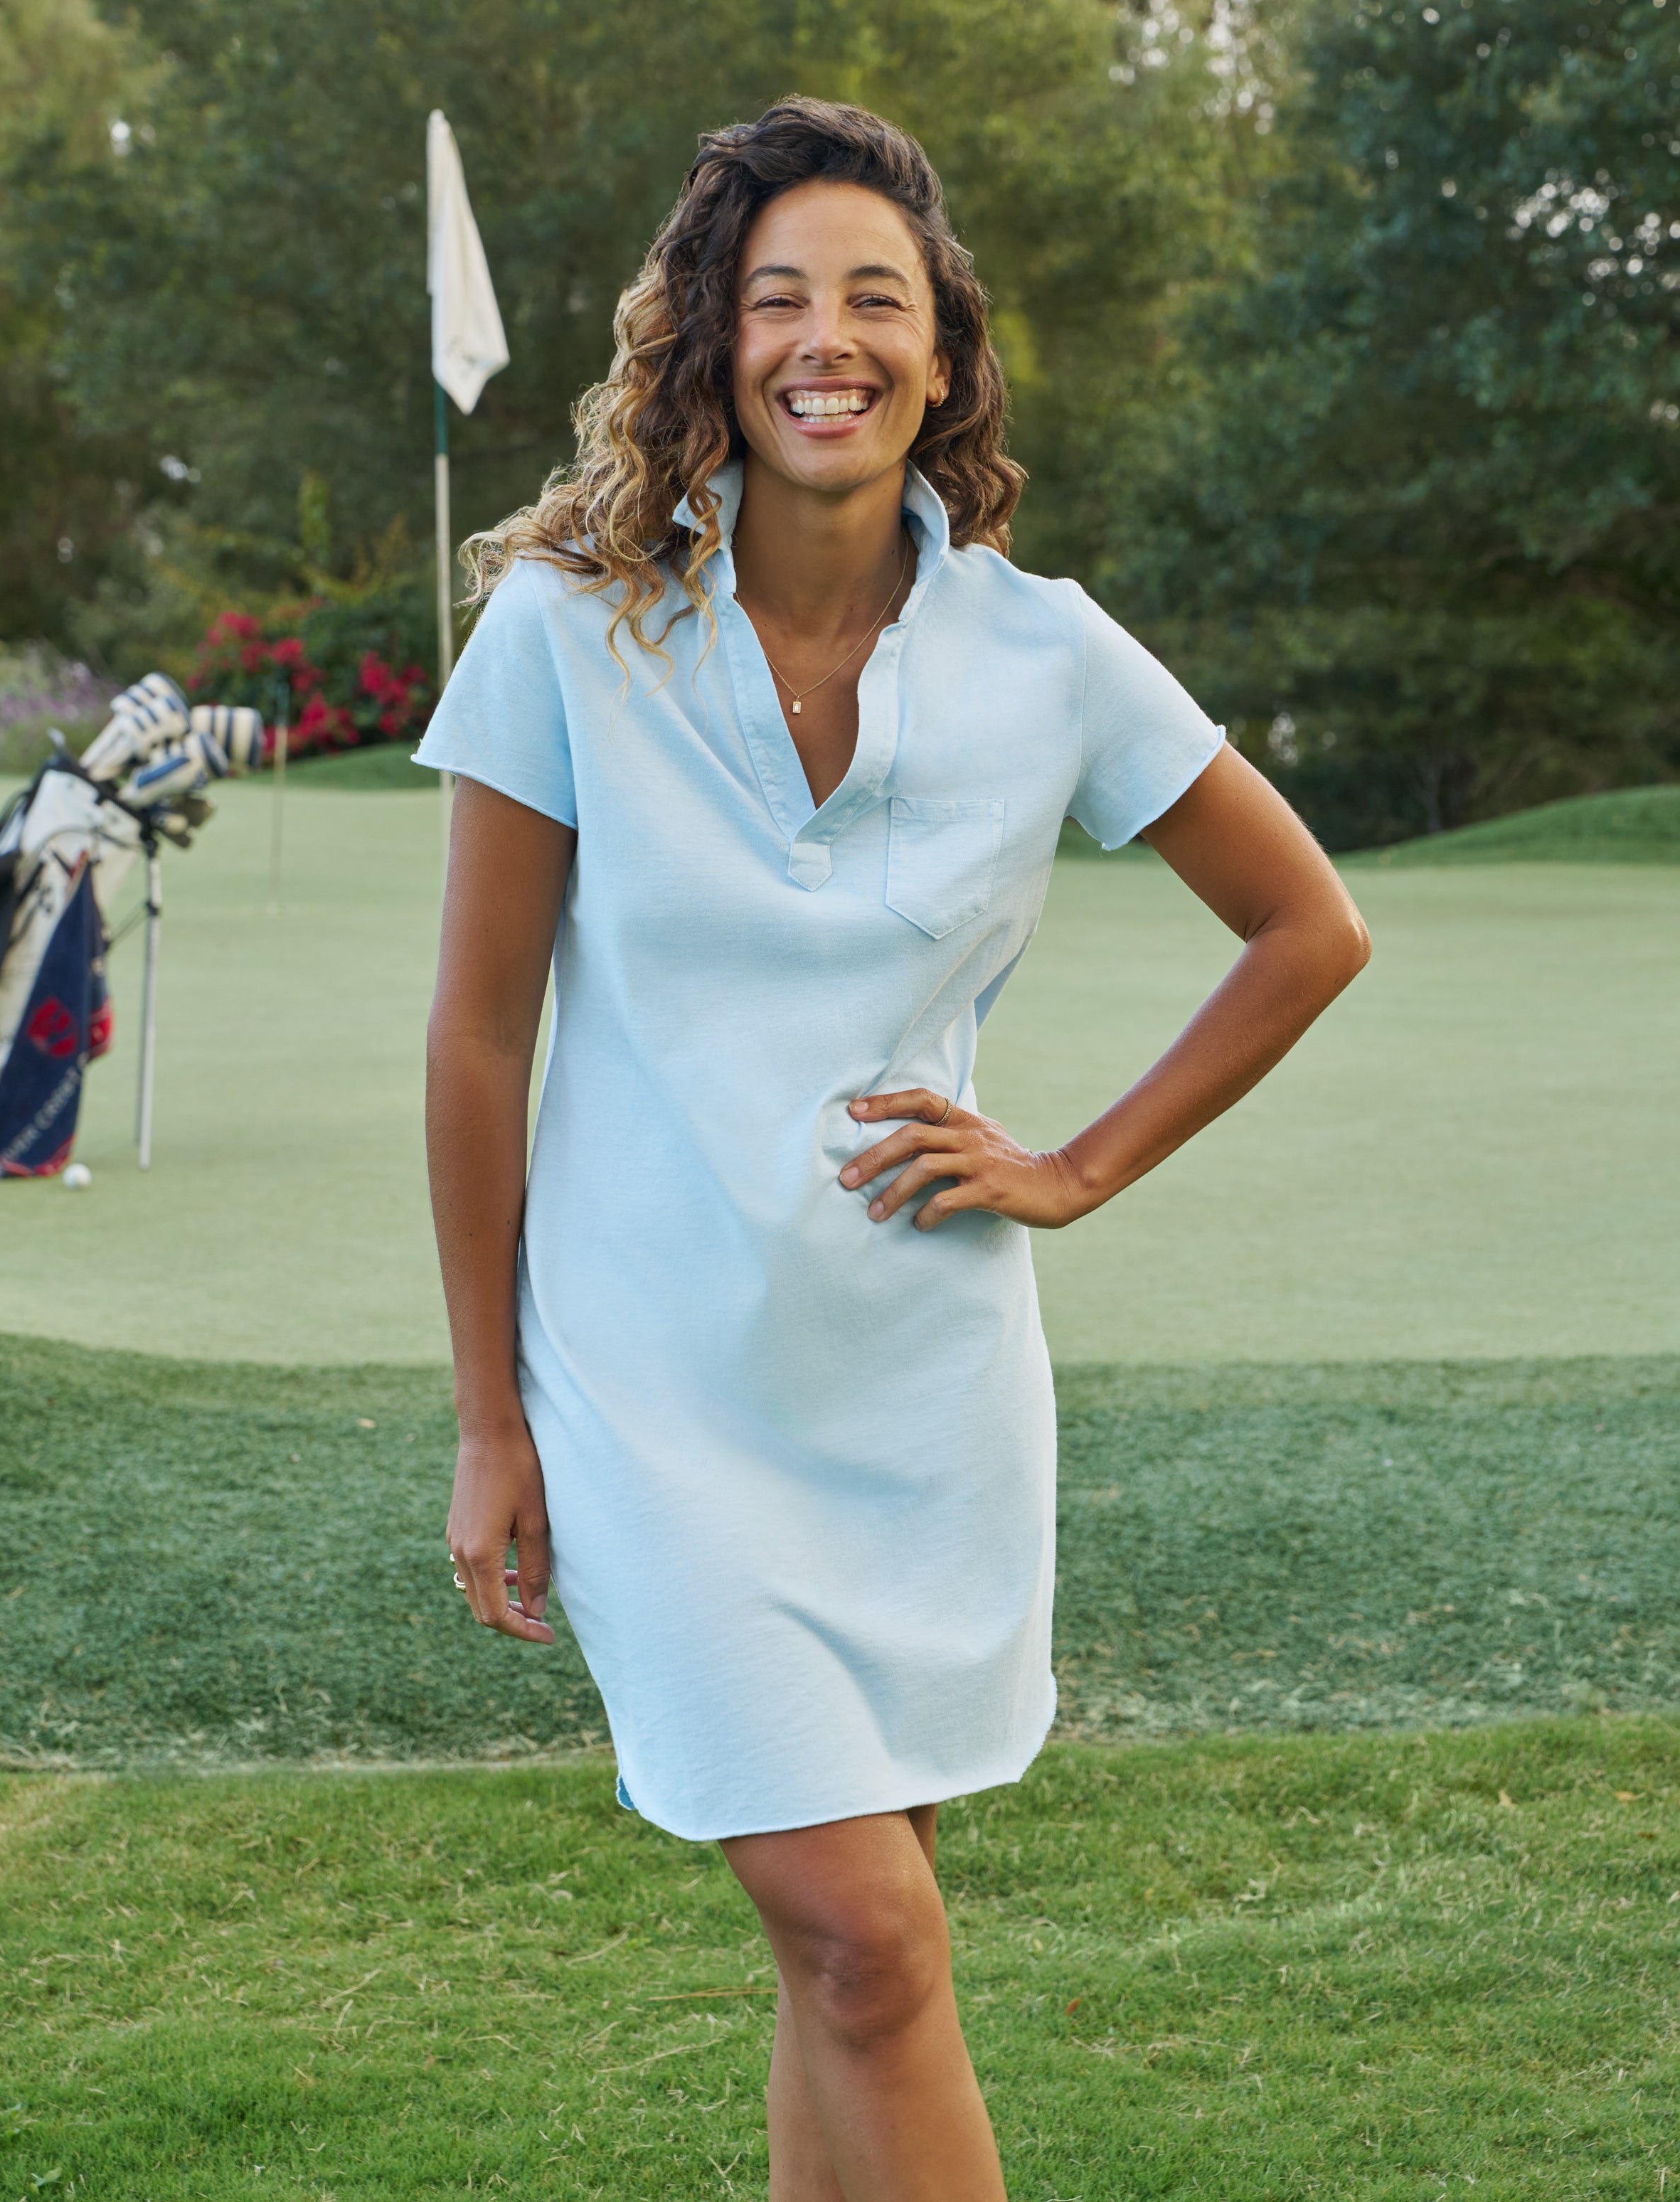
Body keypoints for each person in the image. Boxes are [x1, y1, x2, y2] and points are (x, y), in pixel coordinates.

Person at [418, 95, 1369, 2202]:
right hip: (650, 1386)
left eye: (874, 297)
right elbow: (481, 1035)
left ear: (942, 355)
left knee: (849, 1974)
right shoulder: (567, 630)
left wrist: (1079, 1165)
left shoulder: (1044, 651)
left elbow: (1307, 925)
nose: (822, 339)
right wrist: (490, 1416)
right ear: (709, 350)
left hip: (919, 1397)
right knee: (865, 1936)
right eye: (775, 300)